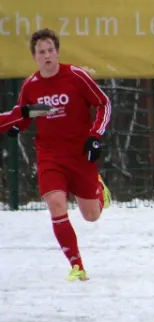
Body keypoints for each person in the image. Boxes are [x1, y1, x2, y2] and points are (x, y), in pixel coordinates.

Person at [4, 28, 112, 282]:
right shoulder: (31, 86)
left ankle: (99, 190)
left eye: (51, 50)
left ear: (58, 52)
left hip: (79, 154)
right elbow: (26, 113)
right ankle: (77, 266)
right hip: (50, 156)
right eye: (41, 52)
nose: (47, 55)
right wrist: (19, 125)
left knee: (91, 215)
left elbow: (104, 103)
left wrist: (95, 136)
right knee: (55, 204)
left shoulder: (75, 77)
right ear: (35, 57)